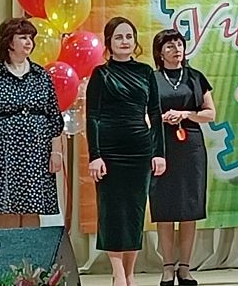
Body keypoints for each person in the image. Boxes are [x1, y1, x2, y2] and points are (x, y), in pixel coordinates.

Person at [87, 17, 166, 286]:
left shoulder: (146, 72)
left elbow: (155, 113)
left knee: (134, 212)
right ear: (109, 42)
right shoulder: (101, 74)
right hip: (109, 152)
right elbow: (92, 117)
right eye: (119, 37)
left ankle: (129, 273)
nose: (124, 42)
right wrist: (95, 155)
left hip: (139, 150)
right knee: (111, 212)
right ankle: (118, 274)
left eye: (129, 36)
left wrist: (159, 153)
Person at [0, 17, 64, 228]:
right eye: (23, 37)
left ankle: (31, 251)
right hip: (3, 152)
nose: (29, 42)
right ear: (8, 41)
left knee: (33, 206)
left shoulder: (41, 76)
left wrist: (56, 152)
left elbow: (54, 118)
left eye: (30, 38)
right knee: (7, 207)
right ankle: (7, 251)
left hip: (36, 152)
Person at [149, 29, 216, 286]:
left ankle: (185, 268)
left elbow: (210, 114)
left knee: (189, 208)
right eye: (169, 45)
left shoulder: (196, 77)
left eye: (179, 44)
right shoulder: (152, 79)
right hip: (162, 146)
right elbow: (143, 115)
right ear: (160, 52)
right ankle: (167, 267)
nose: (176, 49)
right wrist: (161, 118)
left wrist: (185, 114)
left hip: (191, 147)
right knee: (164, 208)